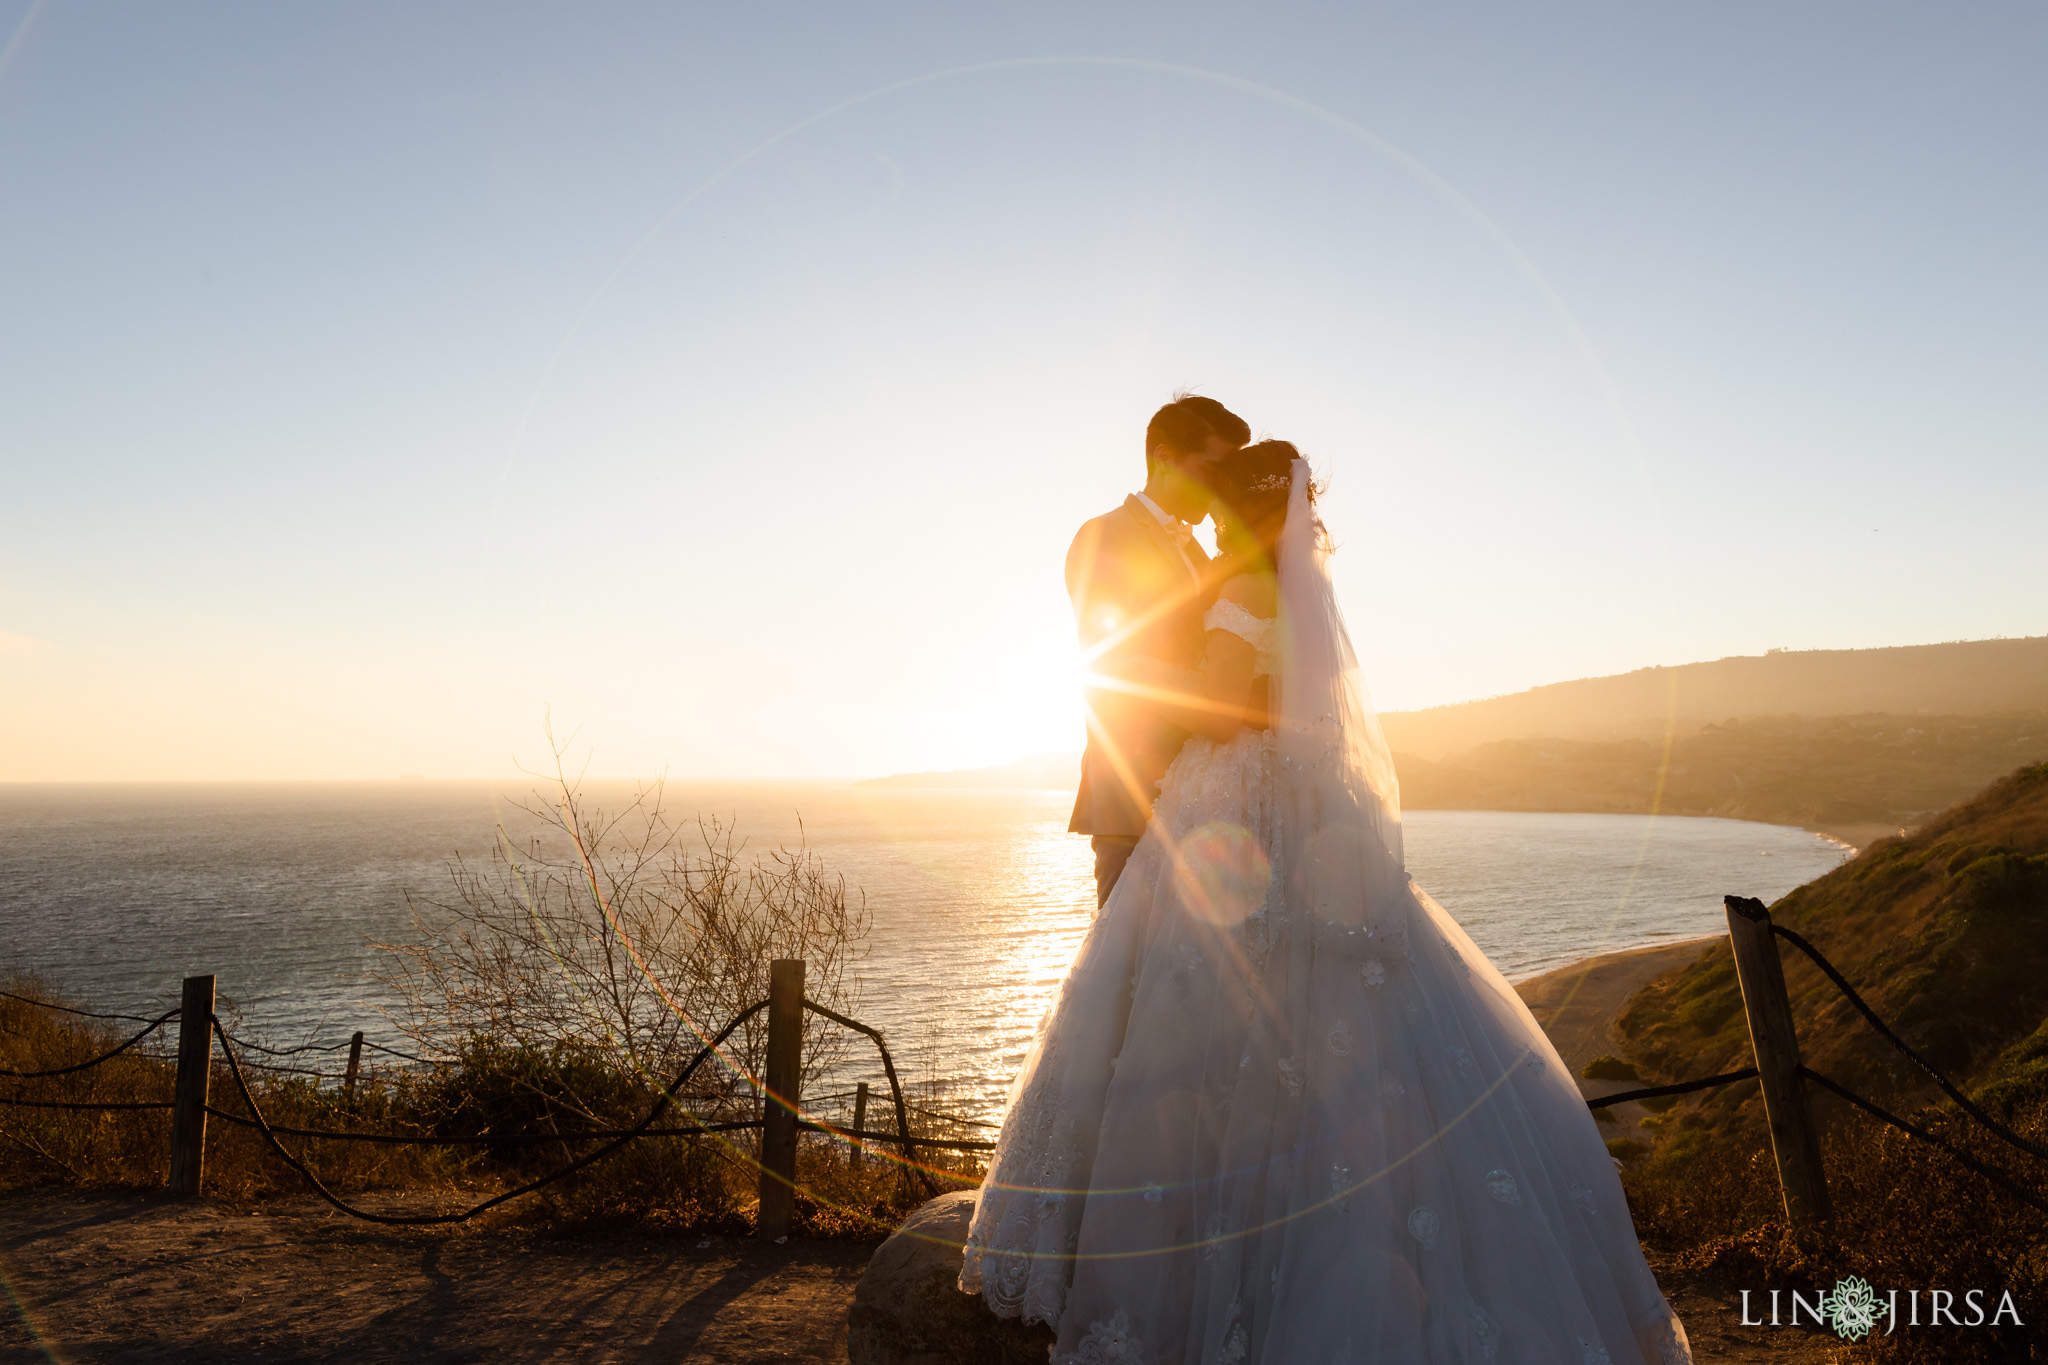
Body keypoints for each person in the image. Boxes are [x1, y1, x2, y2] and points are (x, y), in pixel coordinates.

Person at [961, 440, 1693, 1364]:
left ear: (1241, 511)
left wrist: (1153, 685)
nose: (1211, 518)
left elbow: (1226, 708)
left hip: (1228, 812)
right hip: (1295, 817)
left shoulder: (1243, 589)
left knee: (1192, 1027)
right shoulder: (1302, 595)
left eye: (1223, 504)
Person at [1065, 394, 1250, 907]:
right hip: (1134, 794)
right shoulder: (1104, 535)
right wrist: (1221, 709)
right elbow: (1116, 666)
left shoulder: (1198, 551)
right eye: (1211, 468)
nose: (1220, 486)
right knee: (1126, 975)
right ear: (1165, 458)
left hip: (1200, 799)